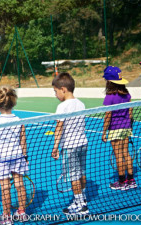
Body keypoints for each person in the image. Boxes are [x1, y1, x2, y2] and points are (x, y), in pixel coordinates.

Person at [0, 86, 29, 225]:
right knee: (19, 184)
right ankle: (22, 212)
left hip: (0, 159)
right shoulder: (19, 120)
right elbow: (23, 141)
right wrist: (25, 157)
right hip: (17, 157)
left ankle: (6, 217)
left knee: (5, 187)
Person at [51, 73, 89, 215]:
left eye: (56, 91)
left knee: (73, 176)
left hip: (69, 146)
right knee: (81, 173)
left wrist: (55, 147)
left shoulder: (62, 107)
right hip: (83, 144)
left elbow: (59, 128)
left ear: (63, 89)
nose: (55, 95)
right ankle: (82, 199)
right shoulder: (81, 104)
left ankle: (81, 205)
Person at [101, 66, 136, 190]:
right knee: (126, 153)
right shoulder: (127, 95)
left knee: (118, 156)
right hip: (126, 128)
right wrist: (129, 124)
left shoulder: (109, 97)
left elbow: (107, 117)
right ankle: (131, 180)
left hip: (115, 129)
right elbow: (130, 111)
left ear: (109, 82)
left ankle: (122, 182)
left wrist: (104, 132)